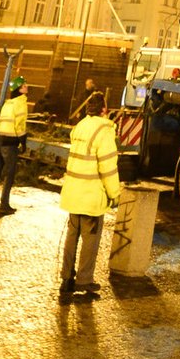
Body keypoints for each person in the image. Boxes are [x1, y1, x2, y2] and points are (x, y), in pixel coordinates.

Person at [58, 91, 121, 300]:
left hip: (73, 193)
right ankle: (84, 281)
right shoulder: (104, 131)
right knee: (90, 241)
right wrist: (115, 194)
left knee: (71, 238)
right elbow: (108, 168)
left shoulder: (79, 127)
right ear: (104, 109)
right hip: (91, 196)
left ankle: (66, 279)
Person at [0, 74, 28, 215]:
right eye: (24, 85)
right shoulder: (21, 103)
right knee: (9, 175)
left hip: (0, 140)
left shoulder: (7, 103)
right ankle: (4, 205)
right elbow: (20, 125)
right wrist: (23, 142)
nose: (26, 87)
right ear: (19, 89)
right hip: (10, 143)